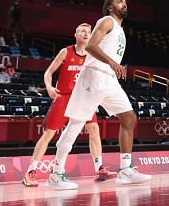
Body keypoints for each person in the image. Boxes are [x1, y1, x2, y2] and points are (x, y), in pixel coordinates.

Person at [48, 0, 150, 190]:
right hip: (93, 75)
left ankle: (126, 170)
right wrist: (112, 62)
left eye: (126, 2)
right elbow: (92, 46)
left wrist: (112, 65)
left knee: (129, 118)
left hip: (109, 79)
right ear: (110, 7)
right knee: (76, 125)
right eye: (120, 1)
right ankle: (55, 174)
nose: (124, 4)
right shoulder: (107, 21)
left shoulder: (120, 29)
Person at [23, 23, 114, 187]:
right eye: (82, 31)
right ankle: (30, 172)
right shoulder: (66, 51)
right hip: (64, 97)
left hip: (84, 98)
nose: (86, 34)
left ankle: (99, 168)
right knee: (49, 134)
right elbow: (49, 72)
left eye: (89, 31)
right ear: (75, 34)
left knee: (94, 129)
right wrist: (49, 87)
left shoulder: (93, 55)